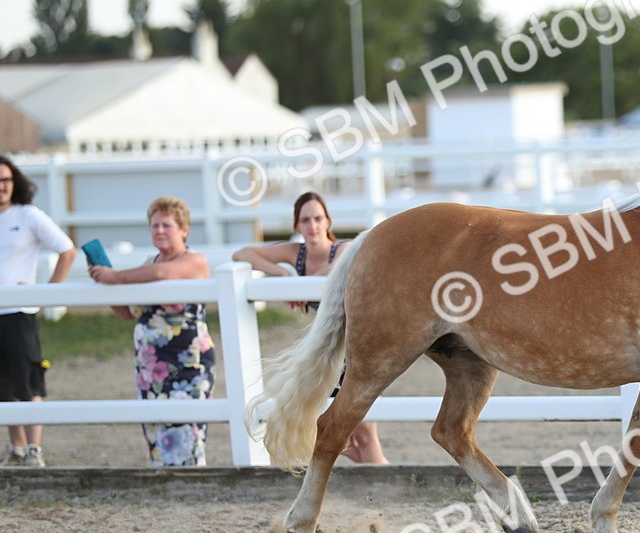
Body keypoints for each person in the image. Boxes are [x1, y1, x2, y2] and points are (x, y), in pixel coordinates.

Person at [233, 192, 388, 464]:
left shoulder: (344, 248)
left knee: (364, 433)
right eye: (305, 220)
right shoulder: (296, 254)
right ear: (297, 225)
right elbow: (242, 254)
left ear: (328, 221)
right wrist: (282, 273)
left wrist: (298, 286)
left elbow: (334, 270)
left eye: (318, 218)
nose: (312, 226)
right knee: (332, 434)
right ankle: (375, 480)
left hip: (358, 347)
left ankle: (388, 483)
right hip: (331, 353)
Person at [89, 197, 214, 466]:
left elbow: (163, 274)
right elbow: (128, 312)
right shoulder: (148, 264)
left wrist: (116, 276)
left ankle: (192, 481)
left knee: (186, 432)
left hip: (187, 361)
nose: (159, 231)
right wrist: (104, 281)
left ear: (184, 230)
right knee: (157, 435)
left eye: (167, 225)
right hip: (150, 365)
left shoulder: (194, 261)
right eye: (154, 225)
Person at [0, 157, 77, 467]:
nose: (1, 186)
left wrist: (47, 293)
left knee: (28, 381)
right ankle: (16, 448)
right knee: (3, 384)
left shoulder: (28, 215)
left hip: (20, 312)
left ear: (14, 183)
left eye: (5, 180)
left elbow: (67, 250)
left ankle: (34, 449)